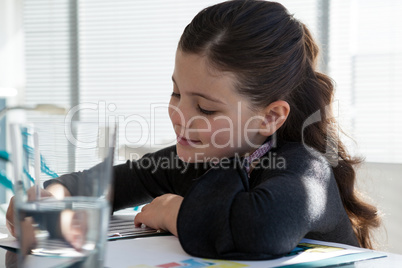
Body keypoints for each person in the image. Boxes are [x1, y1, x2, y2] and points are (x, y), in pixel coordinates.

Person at [7, 0, 380, 260]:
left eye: (204, 108)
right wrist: (51, 195)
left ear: (269, 118)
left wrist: (172, 211)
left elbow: (258, 232)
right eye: (176, 92)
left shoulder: (304, 170)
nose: (178, 114)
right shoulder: (197, 155)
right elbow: (104, 184)